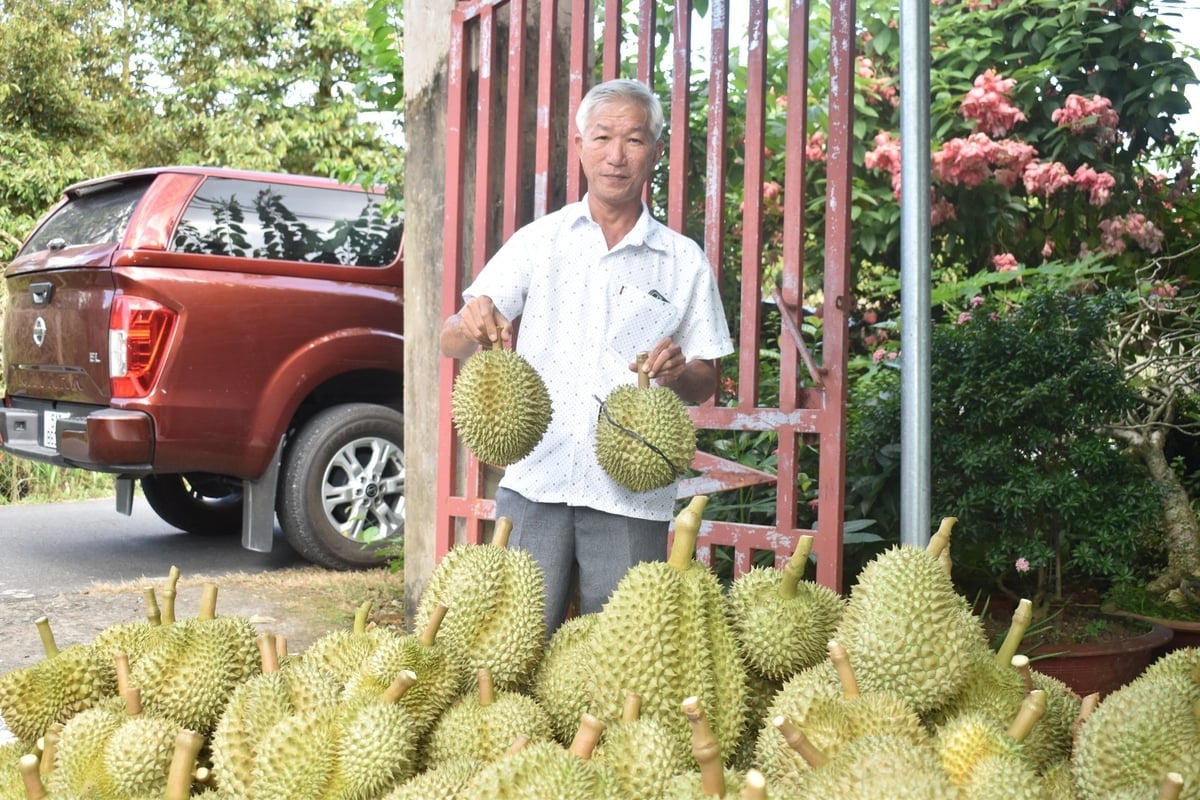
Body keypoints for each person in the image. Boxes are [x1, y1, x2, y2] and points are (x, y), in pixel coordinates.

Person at [440, 78, 733, 636]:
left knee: (619, 658)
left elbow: (706, 380)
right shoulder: (539, 242)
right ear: (579, 147)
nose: (616, 156)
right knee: (511, 648)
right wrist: (472, 321)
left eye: (634, 140)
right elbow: (450, 338)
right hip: (535, 482)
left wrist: (676, 373)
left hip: (629, 492)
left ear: (656, 151)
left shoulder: (682, 261)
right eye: (602, 138)